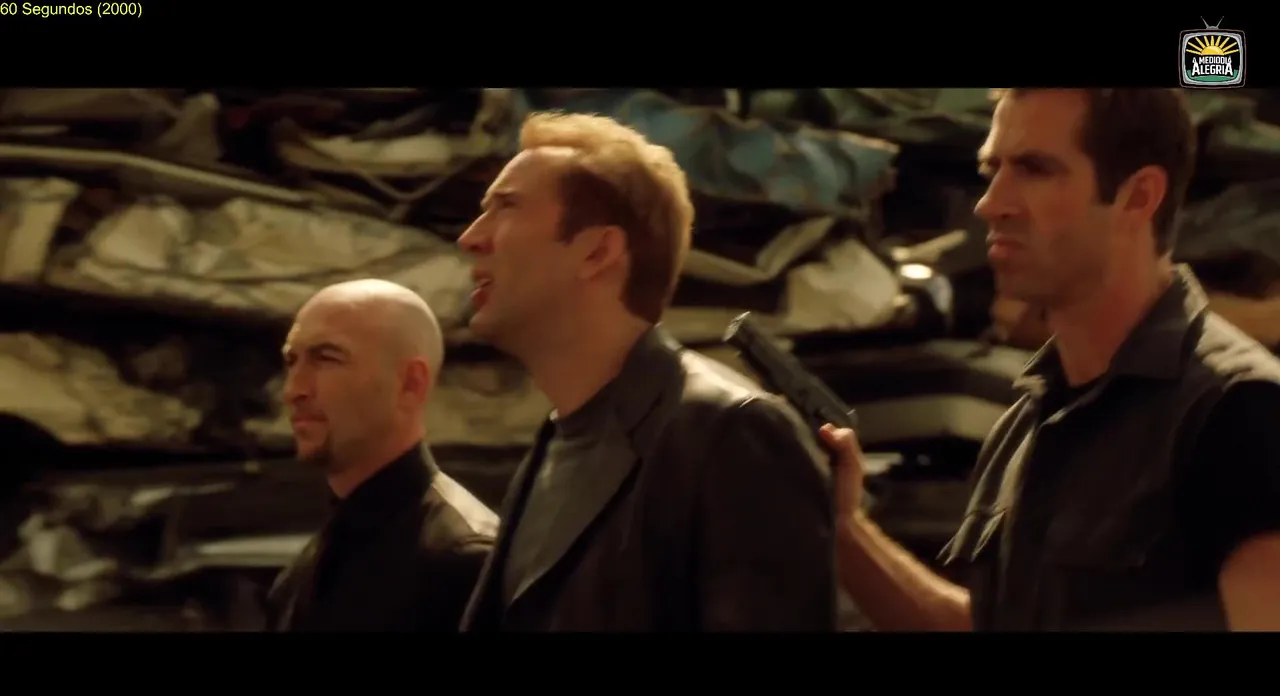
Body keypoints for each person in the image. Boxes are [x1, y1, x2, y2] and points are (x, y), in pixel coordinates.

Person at [821, 88, 1280, 632]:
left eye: (1035, 170)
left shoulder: (1238, 412)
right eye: (992, 170)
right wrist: (843, 525)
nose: (990, 204)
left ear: (1138, 197)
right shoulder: (1025, 423)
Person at [455, 112, 836, 631]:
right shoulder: (556, 444)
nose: (471, 238)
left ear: (598, 251)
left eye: (507, 206)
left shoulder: (728, 434)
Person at [266, 279, 498, 632]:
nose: (293, 390)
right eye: (291, 361)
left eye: (326, 358)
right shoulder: (297, 579)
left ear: (411, 384)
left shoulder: (464, 565)